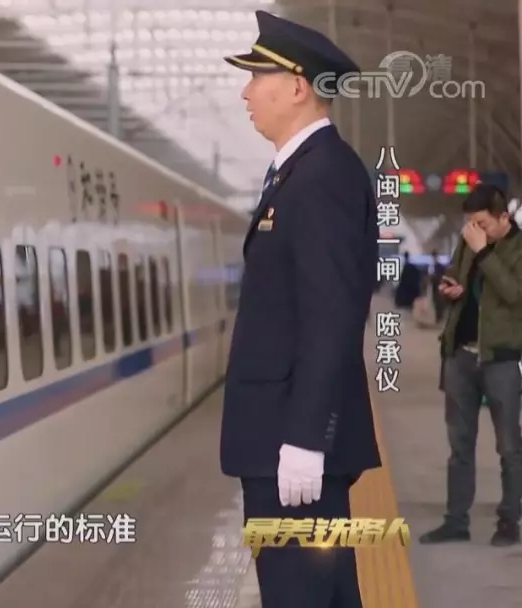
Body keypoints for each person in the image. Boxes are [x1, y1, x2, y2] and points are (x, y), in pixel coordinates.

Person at [220, 10, 379, 608]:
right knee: (321, 595)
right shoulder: (297, 174)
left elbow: (330, 313)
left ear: (296, 87)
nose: (245, 93)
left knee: (300, 594)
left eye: (256, 77)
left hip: (289, 442)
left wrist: (307, 439)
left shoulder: (321, 177)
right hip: (281, 436)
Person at [419, 184, 522, 546]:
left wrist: (484, 253)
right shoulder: (469, 242)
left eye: (482, 223)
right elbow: (456, 274)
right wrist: (452, 288)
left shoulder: (515, 248)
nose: (474, 230)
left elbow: (514, 293)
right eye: (470, 224)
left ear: (503, 217)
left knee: (509, 446)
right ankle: (455, 521)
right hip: (460, 356)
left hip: (501, 359)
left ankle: (509, 521)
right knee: (459, 445)